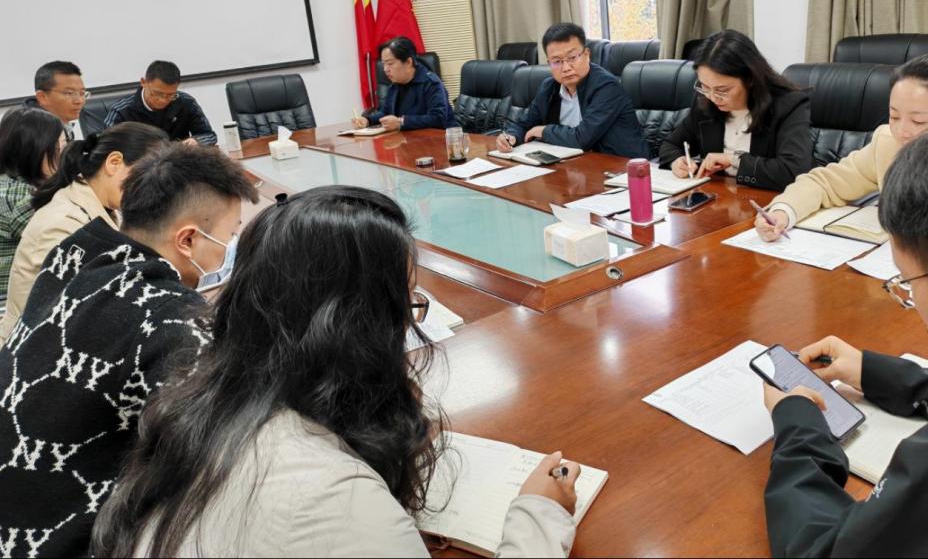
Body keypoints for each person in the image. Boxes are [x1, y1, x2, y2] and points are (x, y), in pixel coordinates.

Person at [91, 186, 580, 558]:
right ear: (355, 328)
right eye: (402, 308)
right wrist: (539, 514)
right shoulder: (332, 498)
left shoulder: (204, 400)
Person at [761, 119, 928, 556]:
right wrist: (873, 371)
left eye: (907, 282)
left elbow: (822, 550)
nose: (912, 300)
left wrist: (797, 425)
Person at [0, 144, 258, 558]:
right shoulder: (173, 324)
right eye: (229, 237)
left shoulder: (76, 253)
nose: (230, 249)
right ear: (188, 239)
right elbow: (213, 456)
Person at [755, 53, 928, 241]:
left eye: (919, 121)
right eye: (894, 116)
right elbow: (824, 183)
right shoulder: (888, 143)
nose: (903, 132)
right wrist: (783, 212)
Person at [0, 122, 168, 343]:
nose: (150, 190)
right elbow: (71, 313)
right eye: (145, 179)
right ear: (114, 163)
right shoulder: (63, 223)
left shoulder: (105, 207)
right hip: (34, 349)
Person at [658, 30, 813, 190]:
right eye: (704, 87)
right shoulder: (705, 102)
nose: (713, 97)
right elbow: (670, 145)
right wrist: (677, 161)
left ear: (750, 79)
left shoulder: (789, 105)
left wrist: (734, 160)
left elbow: (793, 172)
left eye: (722, 90)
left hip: (768, 199)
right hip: (719, 197)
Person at [498, 23, 648, 159]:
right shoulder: (548, 87)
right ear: (549, 63)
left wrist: (543, 131)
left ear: (587, 55)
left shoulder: (607, 87)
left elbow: (582, 139)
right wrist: (510, 137)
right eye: (557, 61)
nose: (566, 68)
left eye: (572, 58)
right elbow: (524, 124)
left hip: (621, 166)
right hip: (574, 164)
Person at [0, 109, 66, 309]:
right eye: (59, 149)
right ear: (35, 150)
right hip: (13, 303)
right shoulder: (17, 197)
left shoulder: (12, 181)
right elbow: (66, 237)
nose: (64, 156)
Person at [352, 37, 457, 131]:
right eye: (384, 64)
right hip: (409, 140)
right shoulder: (395, 84)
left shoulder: (431, 83)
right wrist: (367, 120)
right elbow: (385, 112)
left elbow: (438, 119)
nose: (385, 69)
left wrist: (401, 122)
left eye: (390, 63)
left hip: (441, 140)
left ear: (408, 62)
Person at [103, 60, 217, 145]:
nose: (163, 100)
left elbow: (209, 136)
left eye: (170, 95)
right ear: (143, 82)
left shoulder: (185, 102)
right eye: (157, 93)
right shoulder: (122, 111)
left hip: (179, 162)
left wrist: (196, 141)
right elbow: (106, 145)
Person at [22, 60, 88, 140]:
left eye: (82, 93)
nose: (79, 101)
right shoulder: (31, 133)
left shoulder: (59, 124)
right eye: (69, 93)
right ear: (42, 97)